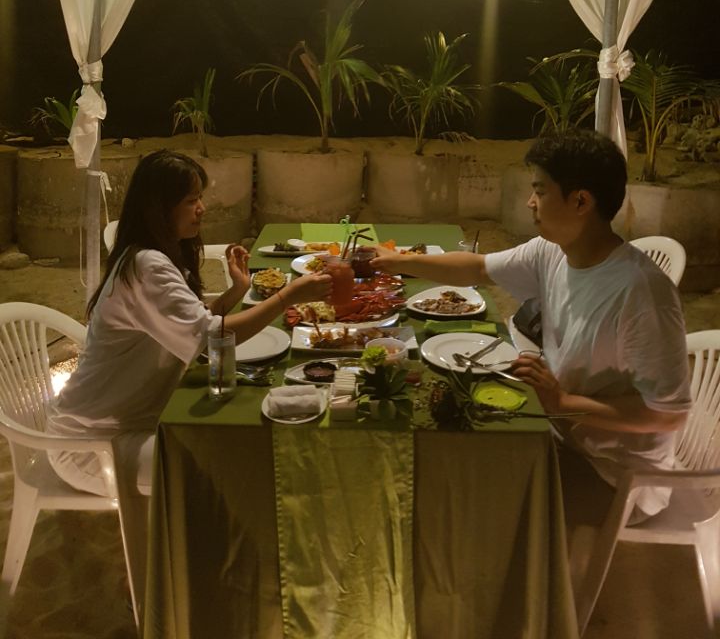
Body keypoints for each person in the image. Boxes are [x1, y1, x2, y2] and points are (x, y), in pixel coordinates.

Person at [371, 130, 691, 522]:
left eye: (539, 191)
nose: (530, 202)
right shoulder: (553, 252)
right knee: (447, 447)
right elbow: (478, 267)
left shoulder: (641, 293)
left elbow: (667, 414)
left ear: (580, 201)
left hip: (613, 475)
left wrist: (564, 404)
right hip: (558, 433)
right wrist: (395, 261)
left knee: (458, 484)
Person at [48, 149, 331, 497]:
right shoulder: (146, 266)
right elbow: (210, 338)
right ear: (159, 208)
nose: (202, 208)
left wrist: (237, 290)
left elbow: (192, 321)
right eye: (191, 200)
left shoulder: (152, 256)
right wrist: (287, 296)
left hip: (137, 422)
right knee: (237, 462)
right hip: (95, 445)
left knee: (239, 438)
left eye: (200, 198)